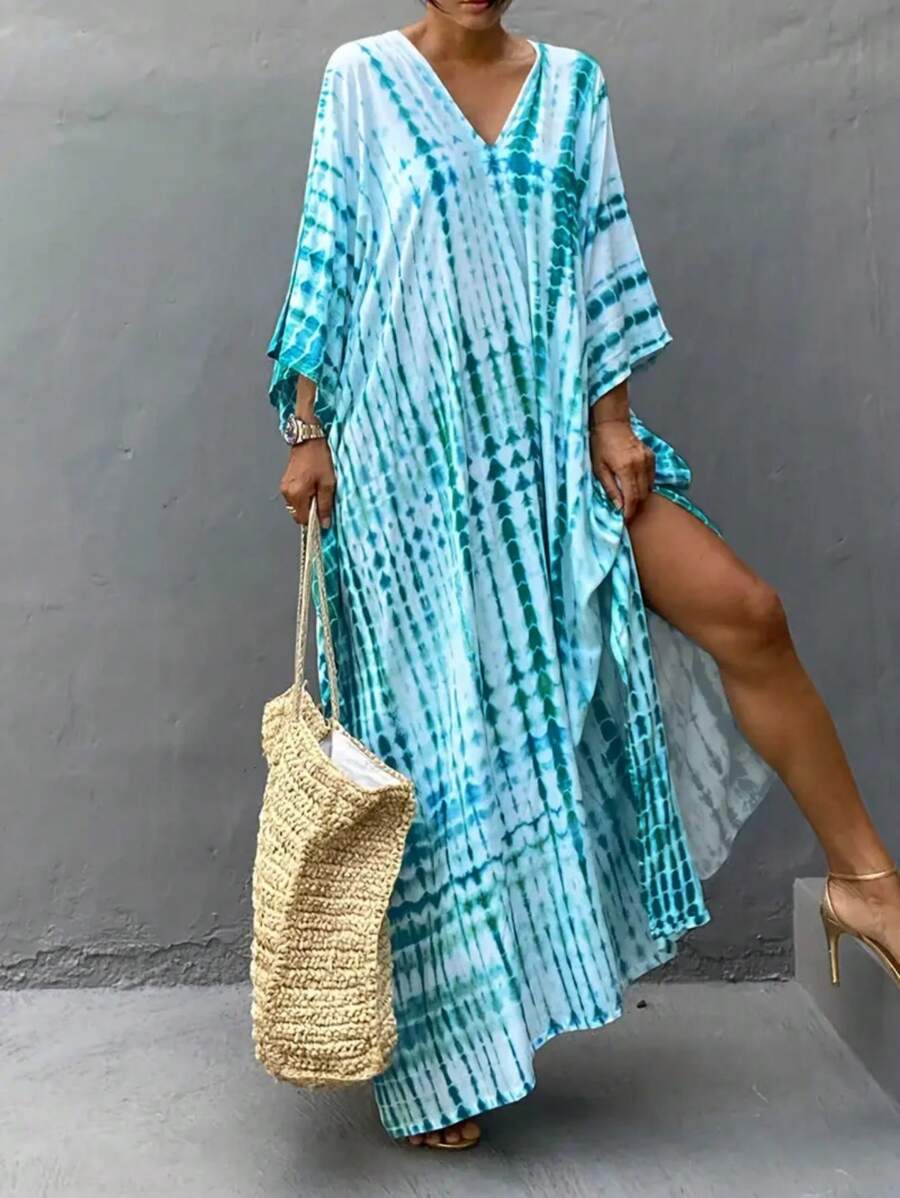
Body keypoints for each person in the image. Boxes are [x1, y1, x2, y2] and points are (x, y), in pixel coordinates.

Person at [265, 0, 899, 1151]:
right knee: (446, 750)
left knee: (747, 613)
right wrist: (307, 431)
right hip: (410, 471)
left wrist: (612, 415)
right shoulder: (360, 80)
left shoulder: (571, 88)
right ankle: (450, 1061)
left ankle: (868, 883)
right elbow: (330, 256)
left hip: (553, 448)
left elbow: (600, 261)